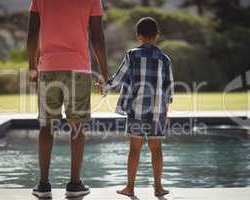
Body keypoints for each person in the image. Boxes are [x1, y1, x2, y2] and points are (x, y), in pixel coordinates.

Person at [27, 0, 109, 198]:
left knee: (46, 126)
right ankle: (74, 185)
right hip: (79, 69)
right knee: (77, 126)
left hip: (49, 67)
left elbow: (32, 33)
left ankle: (44, 185)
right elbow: (97, 37)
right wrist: (104, 73)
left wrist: (32, 66)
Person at [105, 17, 174, 197]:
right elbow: (169, 88)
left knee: (134, 149)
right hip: (157, 110)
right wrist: (166, 111)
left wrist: (105, 86)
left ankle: (130, 188)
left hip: (136, 109)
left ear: (138, 36)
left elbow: (118, 77)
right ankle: (158, 188)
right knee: (156, 148)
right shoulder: (165, 59)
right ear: (157, 35)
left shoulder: (132, 55)